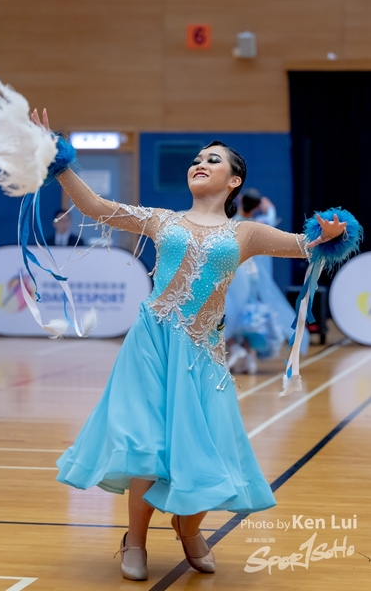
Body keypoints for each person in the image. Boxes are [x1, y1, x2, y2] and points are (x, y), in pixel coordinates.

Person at [32, 109, 347, 581]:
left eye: (213, 160)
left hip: (203, 353)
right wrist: (59, 162)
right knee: (145, 444)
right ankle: (134, 541)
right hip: (152, 343)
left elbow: (305, 244)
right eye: (197, 159)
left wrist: (331, 234)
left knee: (207, 447)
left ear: (234, 180)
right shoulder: (163, 220)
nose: (200, 163)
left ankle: (189, 527)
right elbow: (95, 207)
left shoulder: (246, 233)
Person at [225, 190, 309, 374]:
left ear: (240, 200)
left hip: (237, 274)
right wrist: (268, 208)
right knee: (248, 314)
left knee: (231, 313)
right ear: (256, 207)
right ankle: (248, 359)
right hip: (253, 274)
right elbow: (270, 218)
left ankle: (235, 348)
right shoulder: (259, 225)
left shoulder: (233, 224)